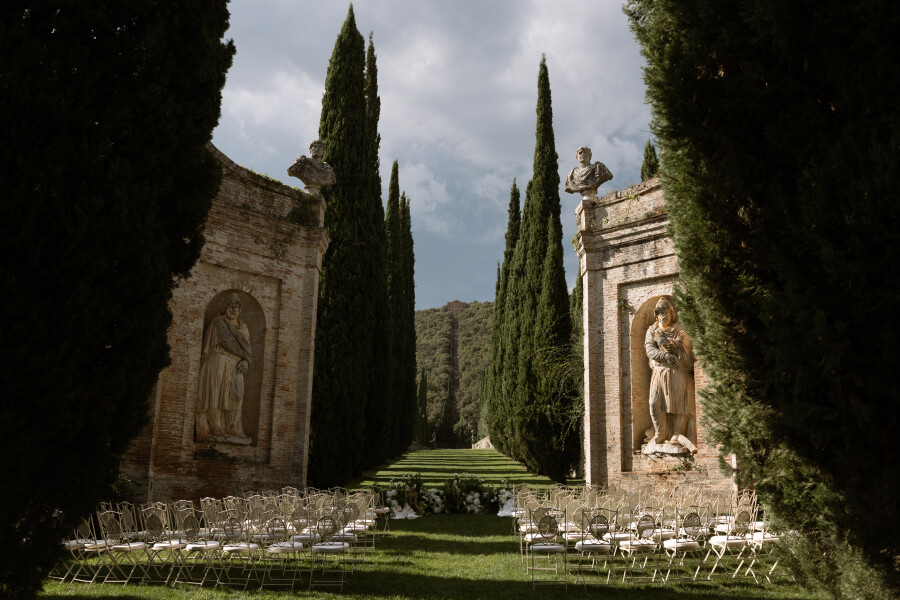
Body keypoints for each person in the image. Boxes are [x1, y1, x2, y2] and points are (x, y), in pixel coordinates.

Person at [196, 293, 252, 442]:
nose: (234, 309)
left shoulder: (244, 327)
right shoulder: (218, 322)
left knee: (237, 395)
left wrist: (246, 362)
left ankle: (233, 427)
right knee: (215, 394)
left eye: (237, 307)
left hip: (236, 365)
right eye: (232, 306)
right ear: (226, 307)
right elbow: (227, 342)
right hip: (218, 360)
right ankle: (216, 427)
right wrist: (245, 356)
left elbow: (248, 350)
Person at [644, 296, 694, 445]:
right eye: (660, 313)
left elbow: (687, 348)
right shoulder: (652, 331)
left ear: (672, 313)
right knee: (654, 403)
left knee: (680, 404)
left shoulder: (680, 329)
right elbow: (649, 350)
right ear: (657, 315)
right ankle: (660, 433)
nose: (664, 315)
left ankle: (677, 435)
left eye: (667, 312)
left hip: (678, 371)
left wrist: (676, 346)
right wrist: (665, 355)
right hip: (659, 372)